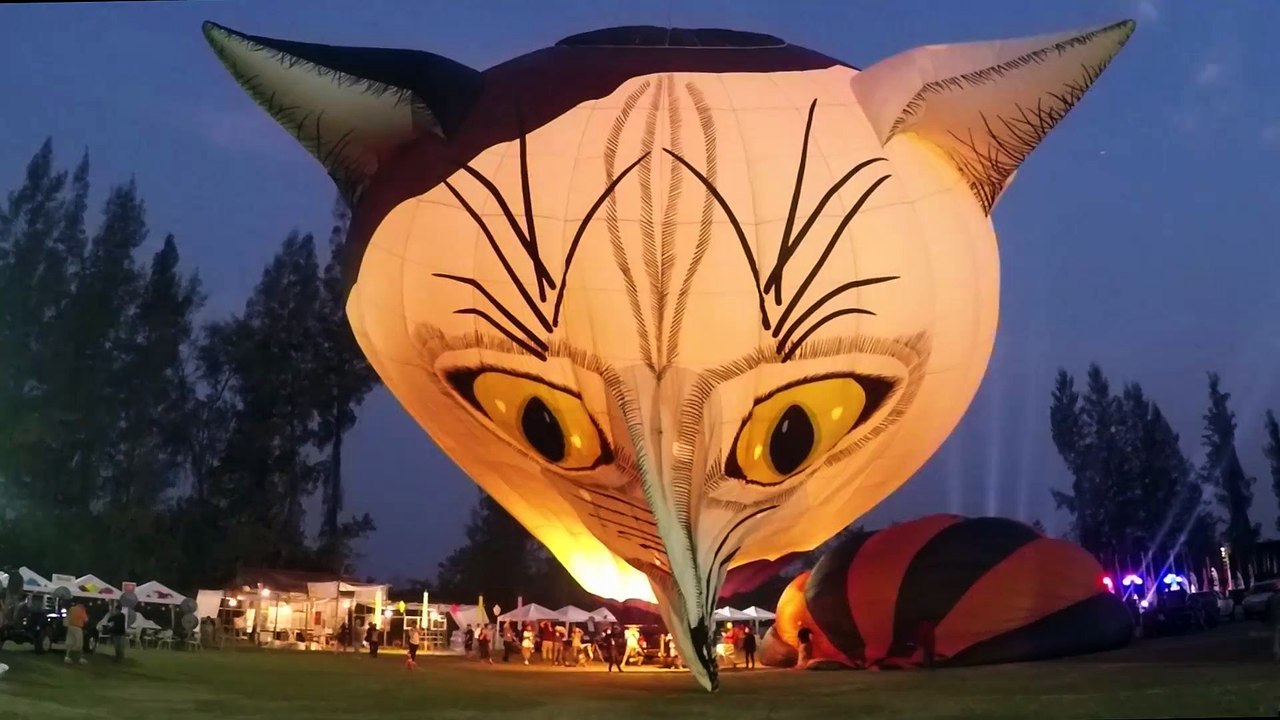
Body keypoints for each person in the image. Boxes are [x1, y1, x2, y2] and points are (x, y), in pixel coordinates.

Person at [64, 601, 88, 665]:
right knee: (80, 643)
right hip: (77, 627)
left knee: (70, 642)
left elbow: (67, 617)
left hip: (70, 626)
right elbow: (86, 619)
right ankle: (80, 658)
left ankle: (67, 657)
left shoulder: (72, 609)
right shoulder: (82, 610)